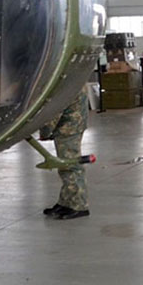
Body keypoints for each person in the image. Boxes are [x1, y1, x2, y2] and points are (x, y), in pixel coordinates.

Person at [40, 89, 91, 220]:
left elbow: (56, 109)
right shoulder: (74, 77)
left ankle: (79, 205)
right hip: (72, 125)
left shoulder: (66, 82)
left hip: (69, 128)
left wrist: (45, 132)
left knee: (70, 165)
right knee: (65, 166)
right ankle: (66, 202)